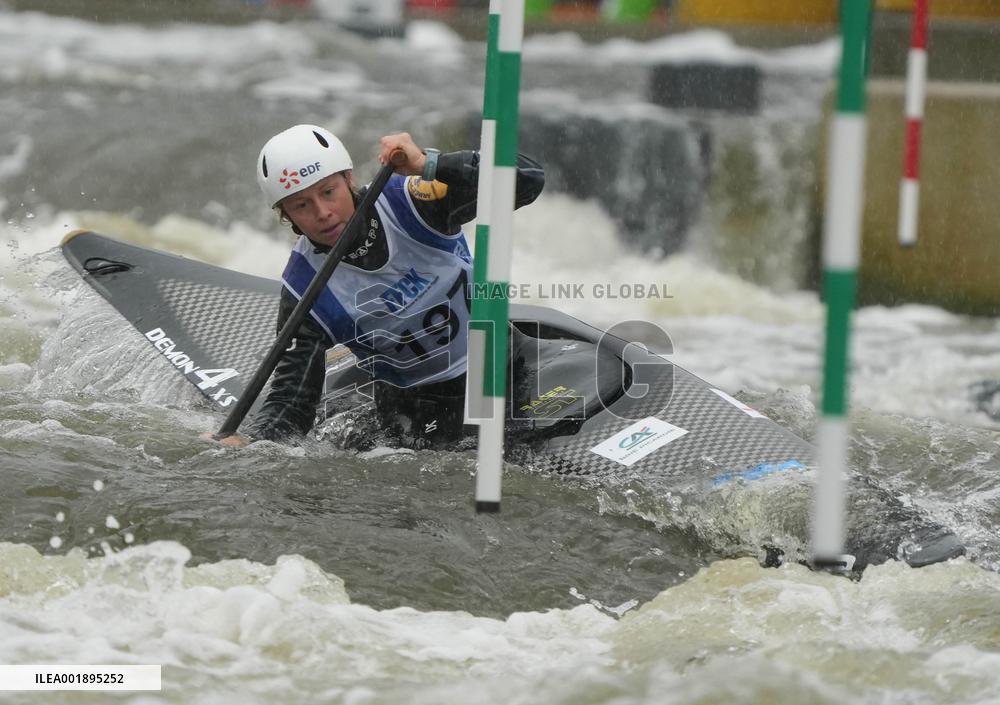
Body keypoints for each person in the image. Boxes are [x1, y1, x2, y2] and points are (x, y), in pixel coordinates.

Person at [216, 124, 544, 447]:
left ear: (349, 180)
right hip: (416, 409)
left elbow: (528, 179)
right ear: (286, 216)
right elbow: (293, 403)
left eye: (328, 192)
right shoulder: (305, 288)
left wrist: (430, 164)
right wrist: (250, 444)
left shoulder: (413, 202)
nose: (323, 213)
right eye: (302, 205)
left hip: (505, 363)